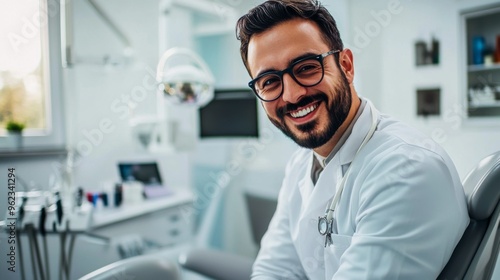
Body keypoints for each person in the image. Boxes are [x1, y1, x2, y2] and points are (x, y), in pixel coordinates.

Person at [235, 0, 469, 279]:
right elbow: (275, 269)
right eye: (270, 82)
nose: (292, 95)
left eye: (306, 67)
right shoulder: (301, 164)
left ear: (345, 65)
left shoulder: (407, 169)